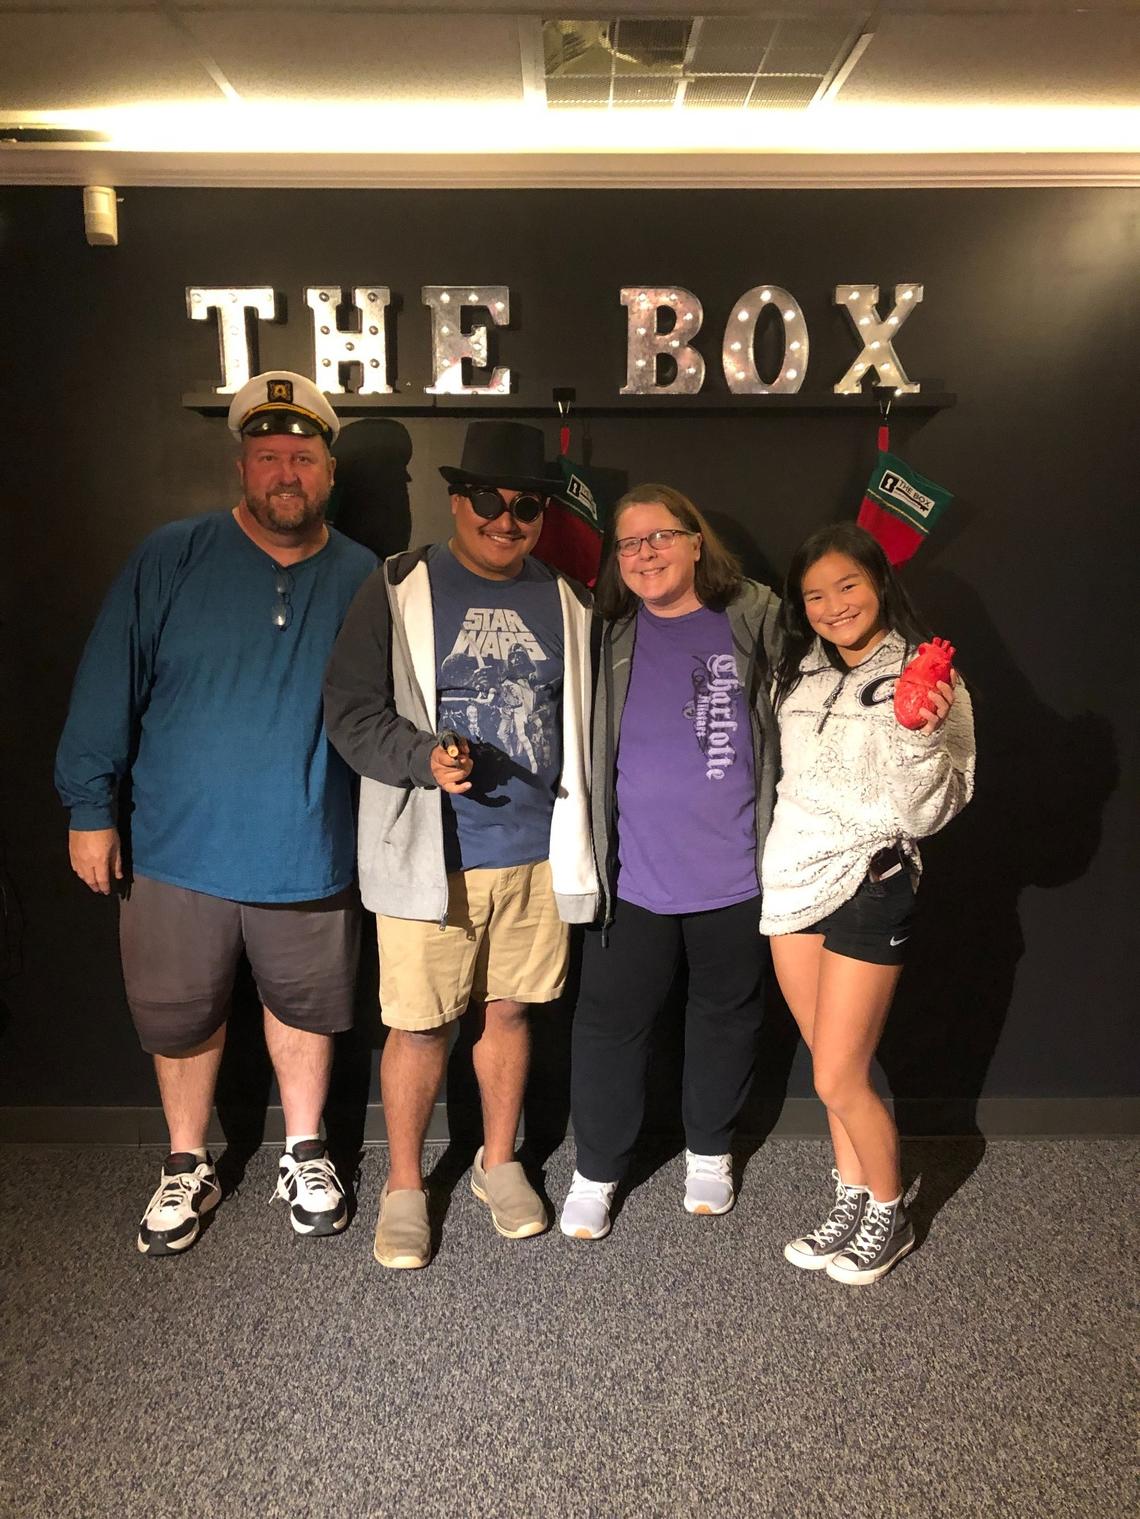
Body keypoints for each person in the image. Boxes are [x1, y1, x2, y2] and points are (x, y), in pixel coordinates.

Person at [56, 371, 376, 1256]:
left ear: (329, 472)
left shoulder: (363, 576)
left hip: (308, 843)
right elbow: (105, 685)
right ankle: (185, 1162)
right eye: (270, 455)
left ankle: (306, 1149)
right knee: (181, 1013)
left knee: (305, 1006)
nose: (287, 473)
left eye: (303, 458)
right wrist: (90, 805)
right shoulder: (173, 554)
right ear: (243, 464)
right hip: (175, 848)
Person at [323, 421, 596, 1269]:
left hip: (538, 852)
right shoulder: (397, 586)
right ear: (457, 499)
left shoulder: (568, 598)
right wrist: (420, 758)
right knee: (419, 1025)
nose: (505, 519)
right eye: (489, 500)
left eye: (524, 506)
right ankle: (407, 1183)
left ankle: (498, 1160)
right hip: (429, 855)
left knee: (511, 1010)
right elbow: (350, 711)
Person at [559, 485, 781, 1241]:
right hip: (636, 879)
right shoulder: (608, 630)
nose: (645, 553)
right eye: (629, 544)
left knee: (725, 1016)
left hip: (737, 876)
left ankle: (710, 1152)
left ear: (695, 541)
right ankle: (596, 1169)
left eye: (660, 537)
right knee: (608, 1025)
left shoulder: (755, 617)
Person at [761, 521, 975, 1285]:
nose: (832, 604)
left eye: (847, 585)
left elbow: (928, 811)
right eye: (815, 594)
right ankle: (850, 1197)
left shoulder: (925, 673)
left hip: (871, 878)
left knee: (837, 1074)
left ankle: (891, 1211)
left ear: (880, 582)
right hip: (792, 885)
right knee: (828, 1063)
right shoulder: (800, 674)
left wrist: (918, 732)